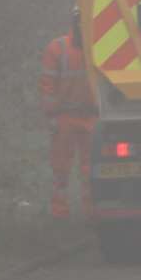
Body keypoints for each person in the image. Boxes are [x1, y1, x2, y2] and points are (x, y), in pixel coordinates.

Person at [39, 30, 97, 219]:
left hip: (89, 116)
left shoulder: (96, 45)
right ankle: (62, 213)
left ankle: (90, 213)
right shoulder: (59, 48)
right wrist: (52, 115)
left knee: (90, 168)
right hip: (67, 117)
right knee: (62, 168)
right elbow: (48, 85)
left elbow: (47, 86)